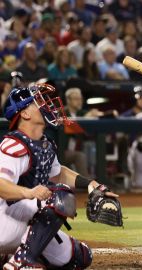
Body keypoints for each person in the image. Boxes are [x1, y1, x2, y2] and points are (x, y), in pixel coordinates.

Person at [0, 84, 117, 269]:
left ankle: (9, 257)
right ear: (25, 114)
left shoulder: (44, 143)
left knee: (81, 257)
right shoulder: (13, 146)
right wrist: (30, 192)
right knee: (60, 196)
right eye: (38, 101)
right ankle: (21, 261)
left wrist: (92, 184)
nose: (46, 105)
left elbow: (59, 173)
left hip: (21, 220)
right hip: (4, 220)